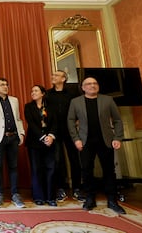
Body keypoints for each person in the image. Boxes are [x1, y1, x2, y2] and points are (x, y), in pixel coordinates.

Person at [67, 77, 126, 214]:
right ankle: (90, 198)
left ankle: (112, 200)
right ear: (83, 87)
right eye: (89, 84)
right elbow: (70, 121)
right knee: (87, 170)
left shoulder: (108, 100)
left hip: (105, 141)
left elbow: (117, 120)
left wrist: (118, 137)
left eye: (95, 83)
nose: (92, 86)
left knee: (109, 171)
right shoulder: (75, 102)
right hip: (85, 141)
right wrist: (76, 139)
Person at [0, 78, 26, 208]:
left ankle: (15, 194)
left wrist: (22, 133)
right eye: (2, 85)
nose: (5, 87)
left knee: (13, 166)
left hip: (13, 137)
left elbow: (18, 119)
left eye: (6, 84)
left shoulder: (14, 100)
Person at [46, 70, 84, 202]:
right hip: (55, 131)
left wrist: (78, 121)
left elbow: (79, 109)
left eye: (56, 75)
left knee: (74, 159)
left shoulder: (72, 94)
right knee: (57, 160)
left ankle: (77, 189)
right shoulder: (48, 94)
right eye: (53, 74)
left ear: (63, 79)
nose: (53, 76)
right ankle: (60, 188)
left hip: (70, 130)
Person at [24, 85, 58, 206]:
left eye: (36, 90)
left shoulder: (52, 106)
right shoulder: (28, 107)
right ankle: (39, 197)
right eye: (32, 91)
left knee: (51, 169)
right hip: (34, 142)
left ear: (43, 93)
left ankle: (51, 197)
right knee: (36, 169)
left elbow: (55, 122)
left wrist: (51, 136)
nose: (33, 93)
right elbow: (31, 124)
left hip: (50, 142)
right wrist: (43, 137)